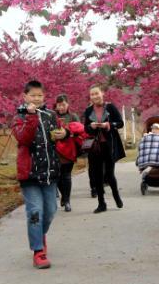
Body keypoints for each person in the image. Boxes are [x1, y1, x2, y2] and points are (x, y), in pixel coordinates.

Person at [12, 80, 66, 269]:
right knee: (35, 212)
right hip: (30, 174)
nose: (36, 98)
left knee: (50, 211)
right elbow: (23, 138)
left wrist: (64, 134)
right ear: (25, 97)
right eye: (33, 95)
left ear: (44, 97)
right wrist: (31, 117)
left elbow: (60, 132)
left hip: (50, 173)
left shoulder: (51, 115)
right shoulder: (19, 116)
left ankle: (39, 235)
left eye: (40, 95)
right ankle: (38, 251)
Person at [82, 85, 125, 213]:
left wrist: (109, 125)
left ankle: (116, 196)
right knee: (97, 176)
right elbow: (85, 128)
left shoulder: (110, 107)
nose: (95, 96)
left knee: (109, 174)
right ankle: (102, 203)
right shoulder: (88, 110)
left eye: (97, 93)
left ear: (102, 93)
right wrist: (92, 126)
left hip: (109, 145)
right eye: (92, 94)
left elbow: (120, 123)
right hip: (95, 147)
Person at [53, 94, 82, 212]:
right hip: (55, 150)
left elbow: (80, 130)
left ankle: (67, 201)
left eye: (63, 104)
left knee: (67, 176)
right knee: (58, 176)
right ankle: (64, 197)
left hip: (69, 150)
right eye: (59, 105)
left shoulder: (73, 116)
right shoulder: (52, 116)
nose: (61, 107)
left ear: (67, 104)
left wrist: (68, 132)